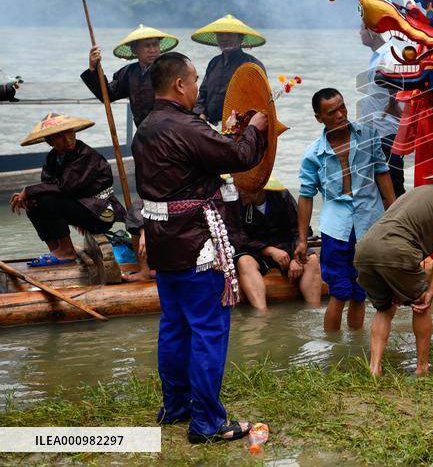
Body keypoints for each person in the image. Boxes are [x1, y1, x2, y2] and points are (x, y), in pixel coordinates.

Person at [133, 51, 269, 443]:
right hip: (197, 243)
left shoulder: (148, 126)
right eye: (194, 80)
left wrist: (223, 133)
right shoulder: (187, 126)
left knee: (174, 327)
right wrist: (256, 128)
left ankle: (176, 406)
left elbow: (200, 158)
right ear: (179, 84)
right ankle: (207, 422)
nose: (198, 87)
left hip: (164, 241)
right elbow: (241, 157)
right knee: (209, 329)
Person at [354, 150, 433, 377]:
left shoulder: (420, 192)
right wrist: (431, 290)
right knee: (422, 304)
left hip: (364, 250)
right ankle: (422, 368)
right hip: (395, 251)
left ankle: (375, 369)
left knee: (384, 309)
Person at [296, 88, 396, 332]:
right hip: (336, 229)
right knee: (338, 294)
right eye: (332, 112)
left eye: (343, 108)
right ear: (319, 118)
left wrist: (393, 214)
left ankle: (355, 345)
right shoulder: (313, 155)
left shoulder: (368, 137)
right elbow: (306, 197)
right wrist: (301, 240)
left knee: (360, 293)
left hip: (369, 223)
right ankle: (334, 351)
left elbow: (382, 172)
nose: (341, 115)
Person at [10, 113, 125, 267]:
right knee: (33, 202)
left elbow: (66, 188)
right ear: (49, 141)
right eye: (59, 136)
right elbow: (47, 186)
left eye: (70, 132)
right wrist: (29, 196)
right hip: (79, 206)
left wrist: (29, 190)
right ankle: (56, 249)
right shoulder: (52, 158)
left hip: (99, 213)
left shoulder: (85, 155)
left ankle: (67, 251)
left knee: (47, 200)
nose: (68, 139)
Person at [233, 176, 321, 312]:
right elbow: (237, 237)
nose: (240, 192)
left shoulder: (282, 196)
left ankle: (313, 310)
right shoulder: (236, 201)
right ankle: (262, 313)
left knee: (312, 260)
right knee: (244, 262)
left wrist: (296, 258)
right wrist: (268, 250)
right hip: (256, 251)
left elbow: (300, 230)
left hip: (286, 247)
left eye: (244, 189)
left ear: (258, 188)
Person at [81, 24, 179, 127]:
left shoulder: (169, 69)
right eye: (147, 46)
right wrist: (93, 68)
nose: (152, 50)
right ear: (134, 51)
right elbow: (107, 95)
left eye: (155, 45)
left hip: (169, 129)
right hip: (143, 133)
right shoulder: (128, 73)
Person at [357, 23, 406, 197]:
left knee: (393, 185)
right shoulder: (380, 55)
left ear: (373, 32)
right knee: (380, 186)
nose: (359, 32)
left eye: (362, 28)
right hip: (377, 131)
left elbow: (398, 80)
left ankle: (402, 221)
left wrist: (393, 103)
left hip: (387, 131)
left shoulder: (390, 55)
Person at [190, 14, 266, 125]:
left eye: (229, 35)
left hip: (239, 127)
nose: (224, 38)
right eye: (220, 34)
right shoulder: (214, 63)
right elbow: (202, 95)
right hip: (211, 125)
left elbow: (260, 104)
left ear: (240, 38)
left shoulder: (251, 65)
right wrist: (201, 115)